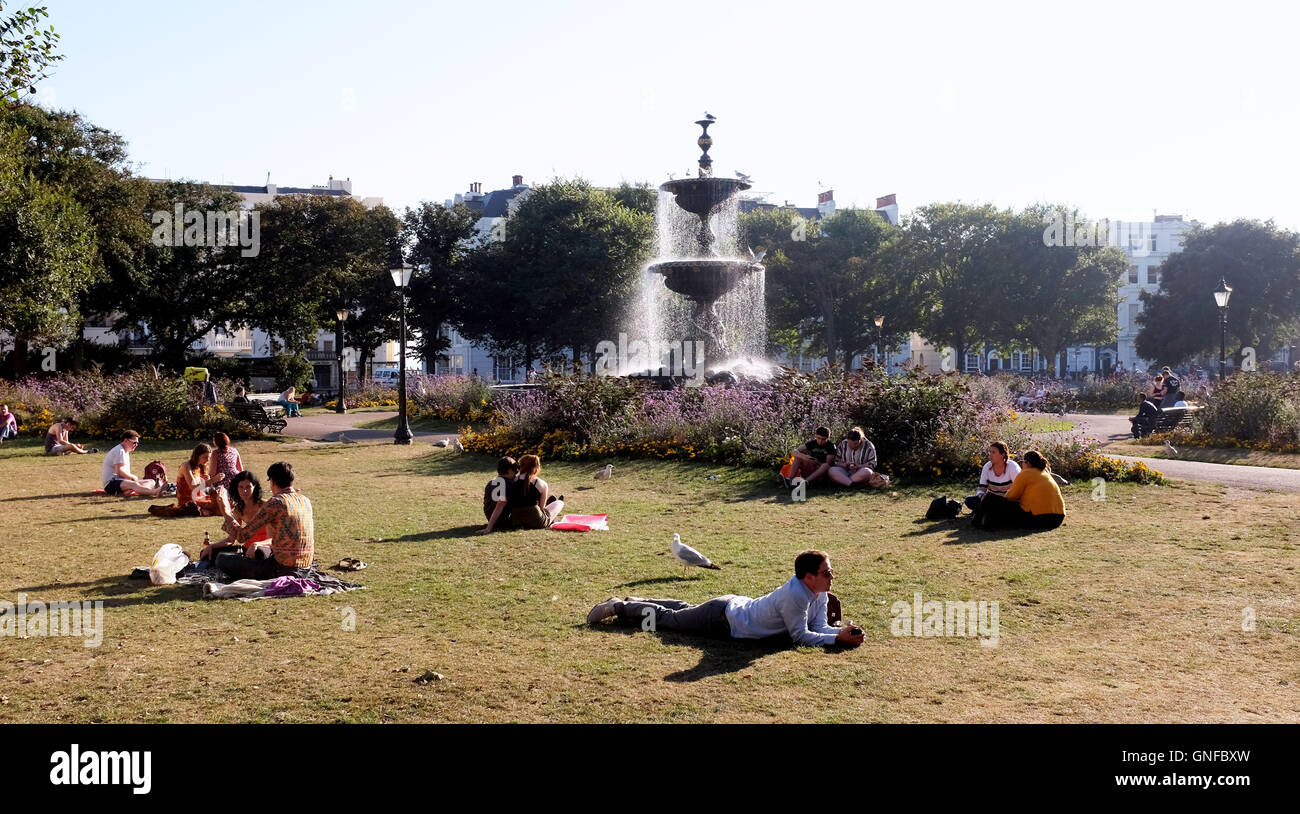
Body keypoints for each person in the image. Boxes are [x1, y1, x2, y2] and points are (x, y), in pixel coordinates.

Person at [586, 549, 865, 648]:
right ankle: (619, 606)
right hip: (723, 619)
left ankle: (637, 599)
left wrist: (839, 632)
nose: (832, 576)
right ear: (808, 576)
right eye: (827, 572)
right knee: (669, 620)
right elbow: (800, 637)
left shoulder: (818, 593)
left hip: (730, 607)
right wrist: (836, 639)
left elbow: (817, 627)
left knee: (684, 609)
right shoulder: (794, 596)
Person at [213, 461, 314, 580]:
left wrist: (225, 510)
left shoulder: (275, 503)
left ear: (272, 482)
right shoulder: (305, 500)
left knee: (222, 559)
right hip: (306, 567)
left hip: (282, 569)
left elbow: (241, 537)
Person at [974, 450, 1065, 531]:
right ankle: (987, 521)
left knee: (990, 498)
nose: (1022, 465)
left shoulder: (1026, 473)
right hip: (1057, 519)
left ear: (1027, 463)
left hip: (1038, 518)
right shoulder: (1045, 474)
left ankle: (976, 522)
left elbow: (1011, 496)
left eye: (1023, 462)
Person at [201, 470, 269, 562]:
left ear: (255, 487)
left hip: (264, 548)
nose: (244, 491)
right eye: (241, 487)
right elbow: (231, 539)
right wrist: (212, 546)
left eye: (248, 487)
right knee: (207, 553)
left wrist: (258, 544)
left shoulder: (265, 506)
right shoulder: (239, 509)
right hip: (247, 548)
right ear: (236, 488)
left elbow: (276, 538)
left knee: (258, 555)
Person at [149, 443, 216, 517]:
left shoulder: (202, 466)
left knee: (218, 503)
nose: (207, 460)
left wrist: (209, 482)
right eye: (204, 457)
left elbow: (206, 488)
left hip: (199, 497)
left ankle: (202, 509)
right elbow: (193, 487)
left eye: (209, 457)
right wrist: (211, 480)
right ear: (197, 456)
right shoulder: (186, 466)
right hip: (187, 502)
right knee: (211, 508)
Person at [506, 454, 564, 529]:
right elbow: (541, 508)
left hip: (516, 521)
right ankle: (553, 510)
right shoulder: (542, 484)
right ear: (536, 467)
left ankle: (551, 512)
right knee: (559, 503)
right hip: (536, 522)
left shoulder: (512, 481)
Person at [101, 430, 165, 497]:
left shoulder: (125, 451)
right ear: (126, 440)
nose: (136, 445)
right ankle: (155, 492)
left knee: (151, 481)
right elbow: (119, 472)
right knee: (134, 484)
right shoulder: (119, 451)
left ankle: (133, 491)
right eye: (134, 443)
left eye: (137, 443)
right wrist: (132, 477)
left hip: (121, 482)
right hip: (111, 484)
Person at [965, 441, 1021, 512]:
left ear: (1002, 454)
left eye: (993, 452)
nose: (990, 455)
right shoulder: (987, 466)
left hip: (1008, 501)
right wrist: (980, 495)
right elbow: (982, 488)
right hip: (991, 500)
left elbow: (1019, 489)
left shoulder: (1013, 467)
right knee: (969, 500)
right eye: (990, 452)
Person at [478, 456, 519, 534]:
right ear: (510, 470)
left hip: (490, 516)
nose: (516, 473)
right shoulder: (508, 484)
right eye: (515, 469)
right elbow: (500, 505)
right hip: (502, 520)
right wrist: (489, 527)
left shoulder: (492, 482)